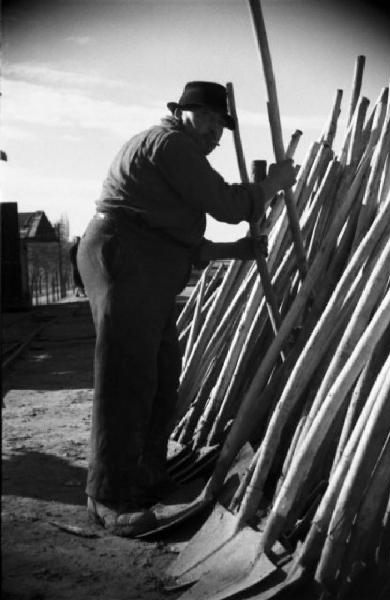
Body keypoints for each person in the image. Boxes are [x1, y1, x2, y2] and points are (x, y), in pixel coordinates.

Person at [77, 81, 296, 536]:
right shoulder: (172, 145)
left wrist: (237, 250)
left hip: (147, 258)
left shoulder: (178, 159)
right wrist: (271, 185)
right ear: (183, 112)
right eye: (210, 120)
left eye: (222, 126)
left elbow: (180, 239)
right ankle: (110, 497)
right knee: (126, 378)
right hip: (123, 256)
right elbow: (227, 204)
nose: (217, 134)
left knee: (160, 373)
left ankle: (143, 476)